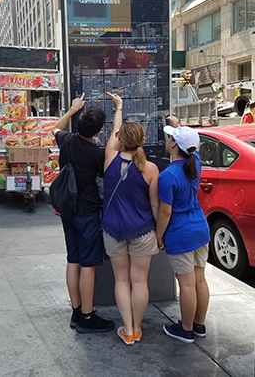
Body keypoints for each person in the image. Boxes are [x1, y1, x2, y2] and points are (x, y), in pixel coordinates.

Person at [51, 93, 114, 334]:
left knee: (73, 259)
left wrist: (72, 109)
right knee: (88, 264)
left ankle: (76, 310)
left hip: (67, 209)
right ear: (97, 131)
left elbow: (54, 128)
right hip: (87, 211)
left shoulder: (66, 140)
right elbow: (111, 152)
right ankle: (87, 316)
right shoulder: (96, 154)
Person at [101, 93, 159, 345]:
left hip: (113, 231)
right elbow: (155, 204)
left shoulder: (110, 159)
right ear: (143, 140)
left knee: (121, 280)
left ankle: (127, 329)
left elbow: (115, 132)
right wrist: (160, 232)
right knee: (140, 281)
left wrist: (119, 109)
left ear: (120, 141)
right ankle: (137, 327)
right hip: (143, 231)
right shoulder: (151, 169)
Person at [156, 119, 210, 344]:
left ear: (173, 144)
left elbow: (165, 213)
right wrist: (178, 125)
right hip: (200, 228)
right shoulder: (194, 161)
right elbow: (191, 150)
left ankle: (186, 329)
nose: (167, 139)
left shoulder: (167, 176)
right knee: (199, 280)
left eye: (171, 137)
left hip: (180, 232)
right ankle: (199, 325)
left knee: (186, 284)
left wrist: (159, 236)